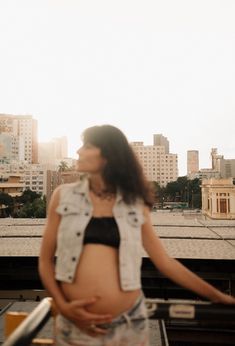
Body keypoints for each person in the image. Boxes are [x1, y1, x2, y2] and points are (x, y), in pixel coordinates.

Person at [39, 124, 235, 346]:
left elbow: (165, 262)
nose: (79, 151)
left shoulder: (134, 203)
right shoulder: (62, 196)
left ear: (108, 154)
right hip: (75, 326)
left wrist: (217, 296)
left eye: (87, 146)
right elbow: (45, 260)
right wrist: (63, 306)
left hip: (128, 326)